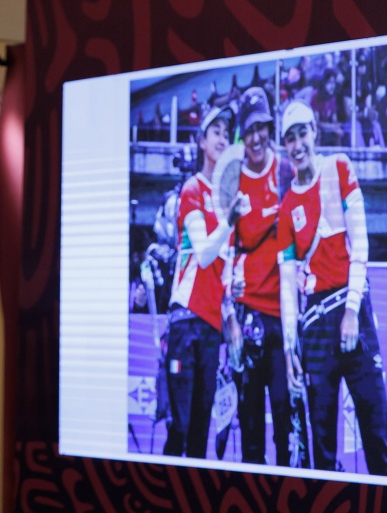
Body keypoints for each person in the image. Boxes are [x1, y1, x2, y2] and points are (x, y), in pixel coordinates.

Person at [278, 100, 387, 474]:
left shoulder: (339, 166)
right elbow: (287, 284)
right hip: (314, 330)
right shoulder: (285, 206)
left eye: (302, 133)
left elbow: (361, 244)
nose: (297, 145)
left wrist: (353, 311)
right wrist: (290, 344)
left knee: (379, 432)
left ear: (315, 132)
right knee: (321, 447)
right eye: (289, 138)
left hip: (352, 311)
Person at [163, 105, 240, 458]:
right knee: (178, 427)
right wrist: (230, 222)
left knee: (199, 434)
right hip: (185, 321)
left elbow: (224, 273)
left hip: (211, 329)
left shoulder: (229, 202)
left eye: (227, 132)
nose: (223, 138)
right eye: (216, 131)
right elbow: (205, 254)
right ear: (201, 141)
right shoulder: (192, 189)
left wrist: (232, 309)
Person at [229, 86, 294, 466]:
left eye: (262, 128)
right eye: (248, 130)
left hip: (283, 321)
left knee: (286, 425)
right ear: (241, 134)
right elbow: (225, 251)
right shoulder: (232, 178)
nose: (256, 138)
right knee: (250, 428)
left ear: (270, 128)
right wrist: (230, 315)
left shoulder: (286, 170)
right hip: (247, 316)